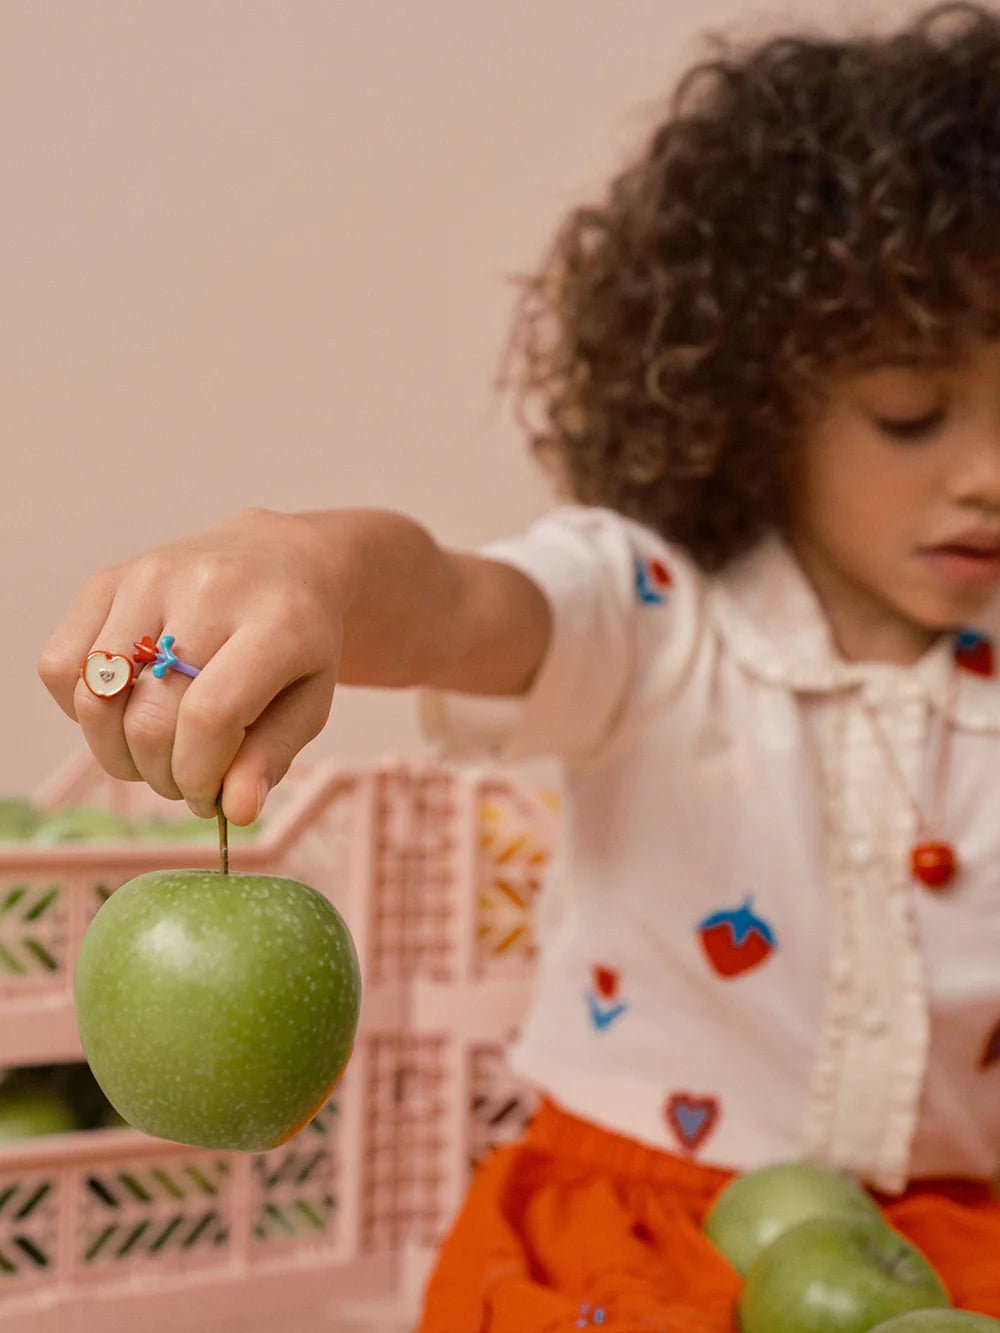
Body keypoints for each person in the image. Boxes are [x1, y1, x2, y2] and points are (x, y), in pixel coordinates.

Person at [38, 3, 1000, 1327]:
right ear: (761, 389)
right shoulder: (655, 617)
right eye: (909, 413)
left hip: (961, 1243)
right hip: (636, 1239)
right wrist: (306, 571)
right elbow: (447, 604)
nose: (986, 473)